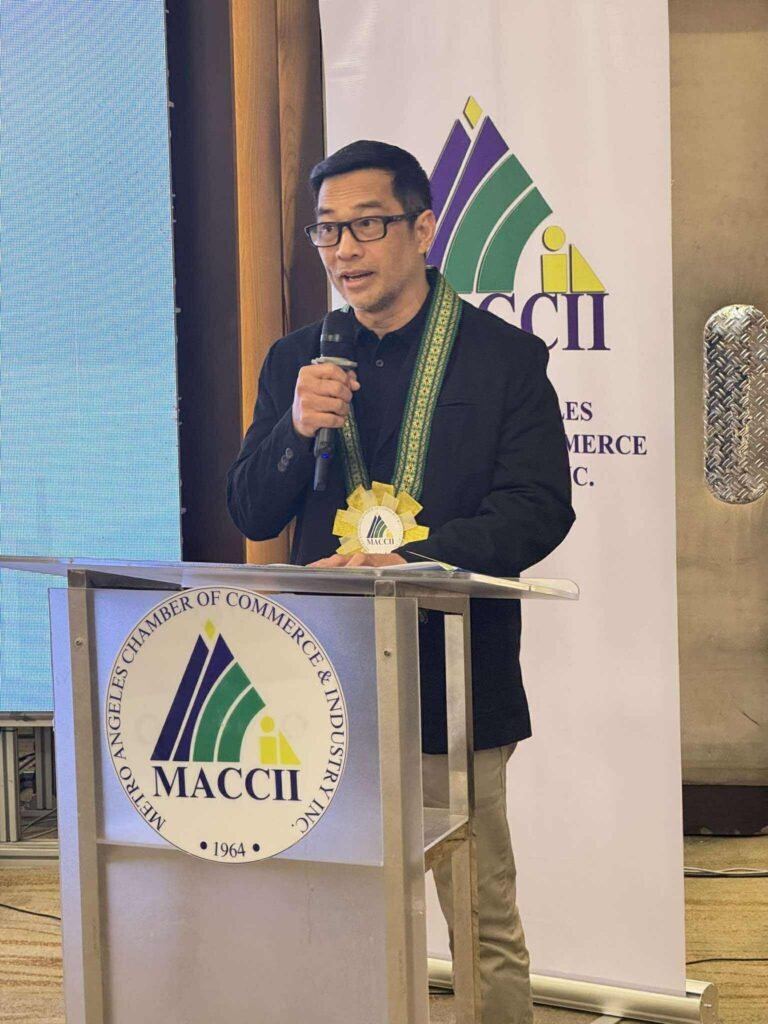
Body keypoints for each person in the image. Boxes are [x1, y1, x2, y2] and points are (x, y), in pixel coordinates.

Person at [227, 139, 574, 1024]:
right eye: (328, 231)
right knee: (333, 909)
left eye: (367, 226)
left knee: (478, 918)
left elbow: (538, 510)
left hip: (453, 682)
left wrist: (416, 561)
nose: (344, 250)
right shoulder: (299, 360)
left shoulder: (502, 358)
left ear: (422, 229)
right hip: (320, 685)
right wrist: (294, 429)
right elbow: (253, 510)